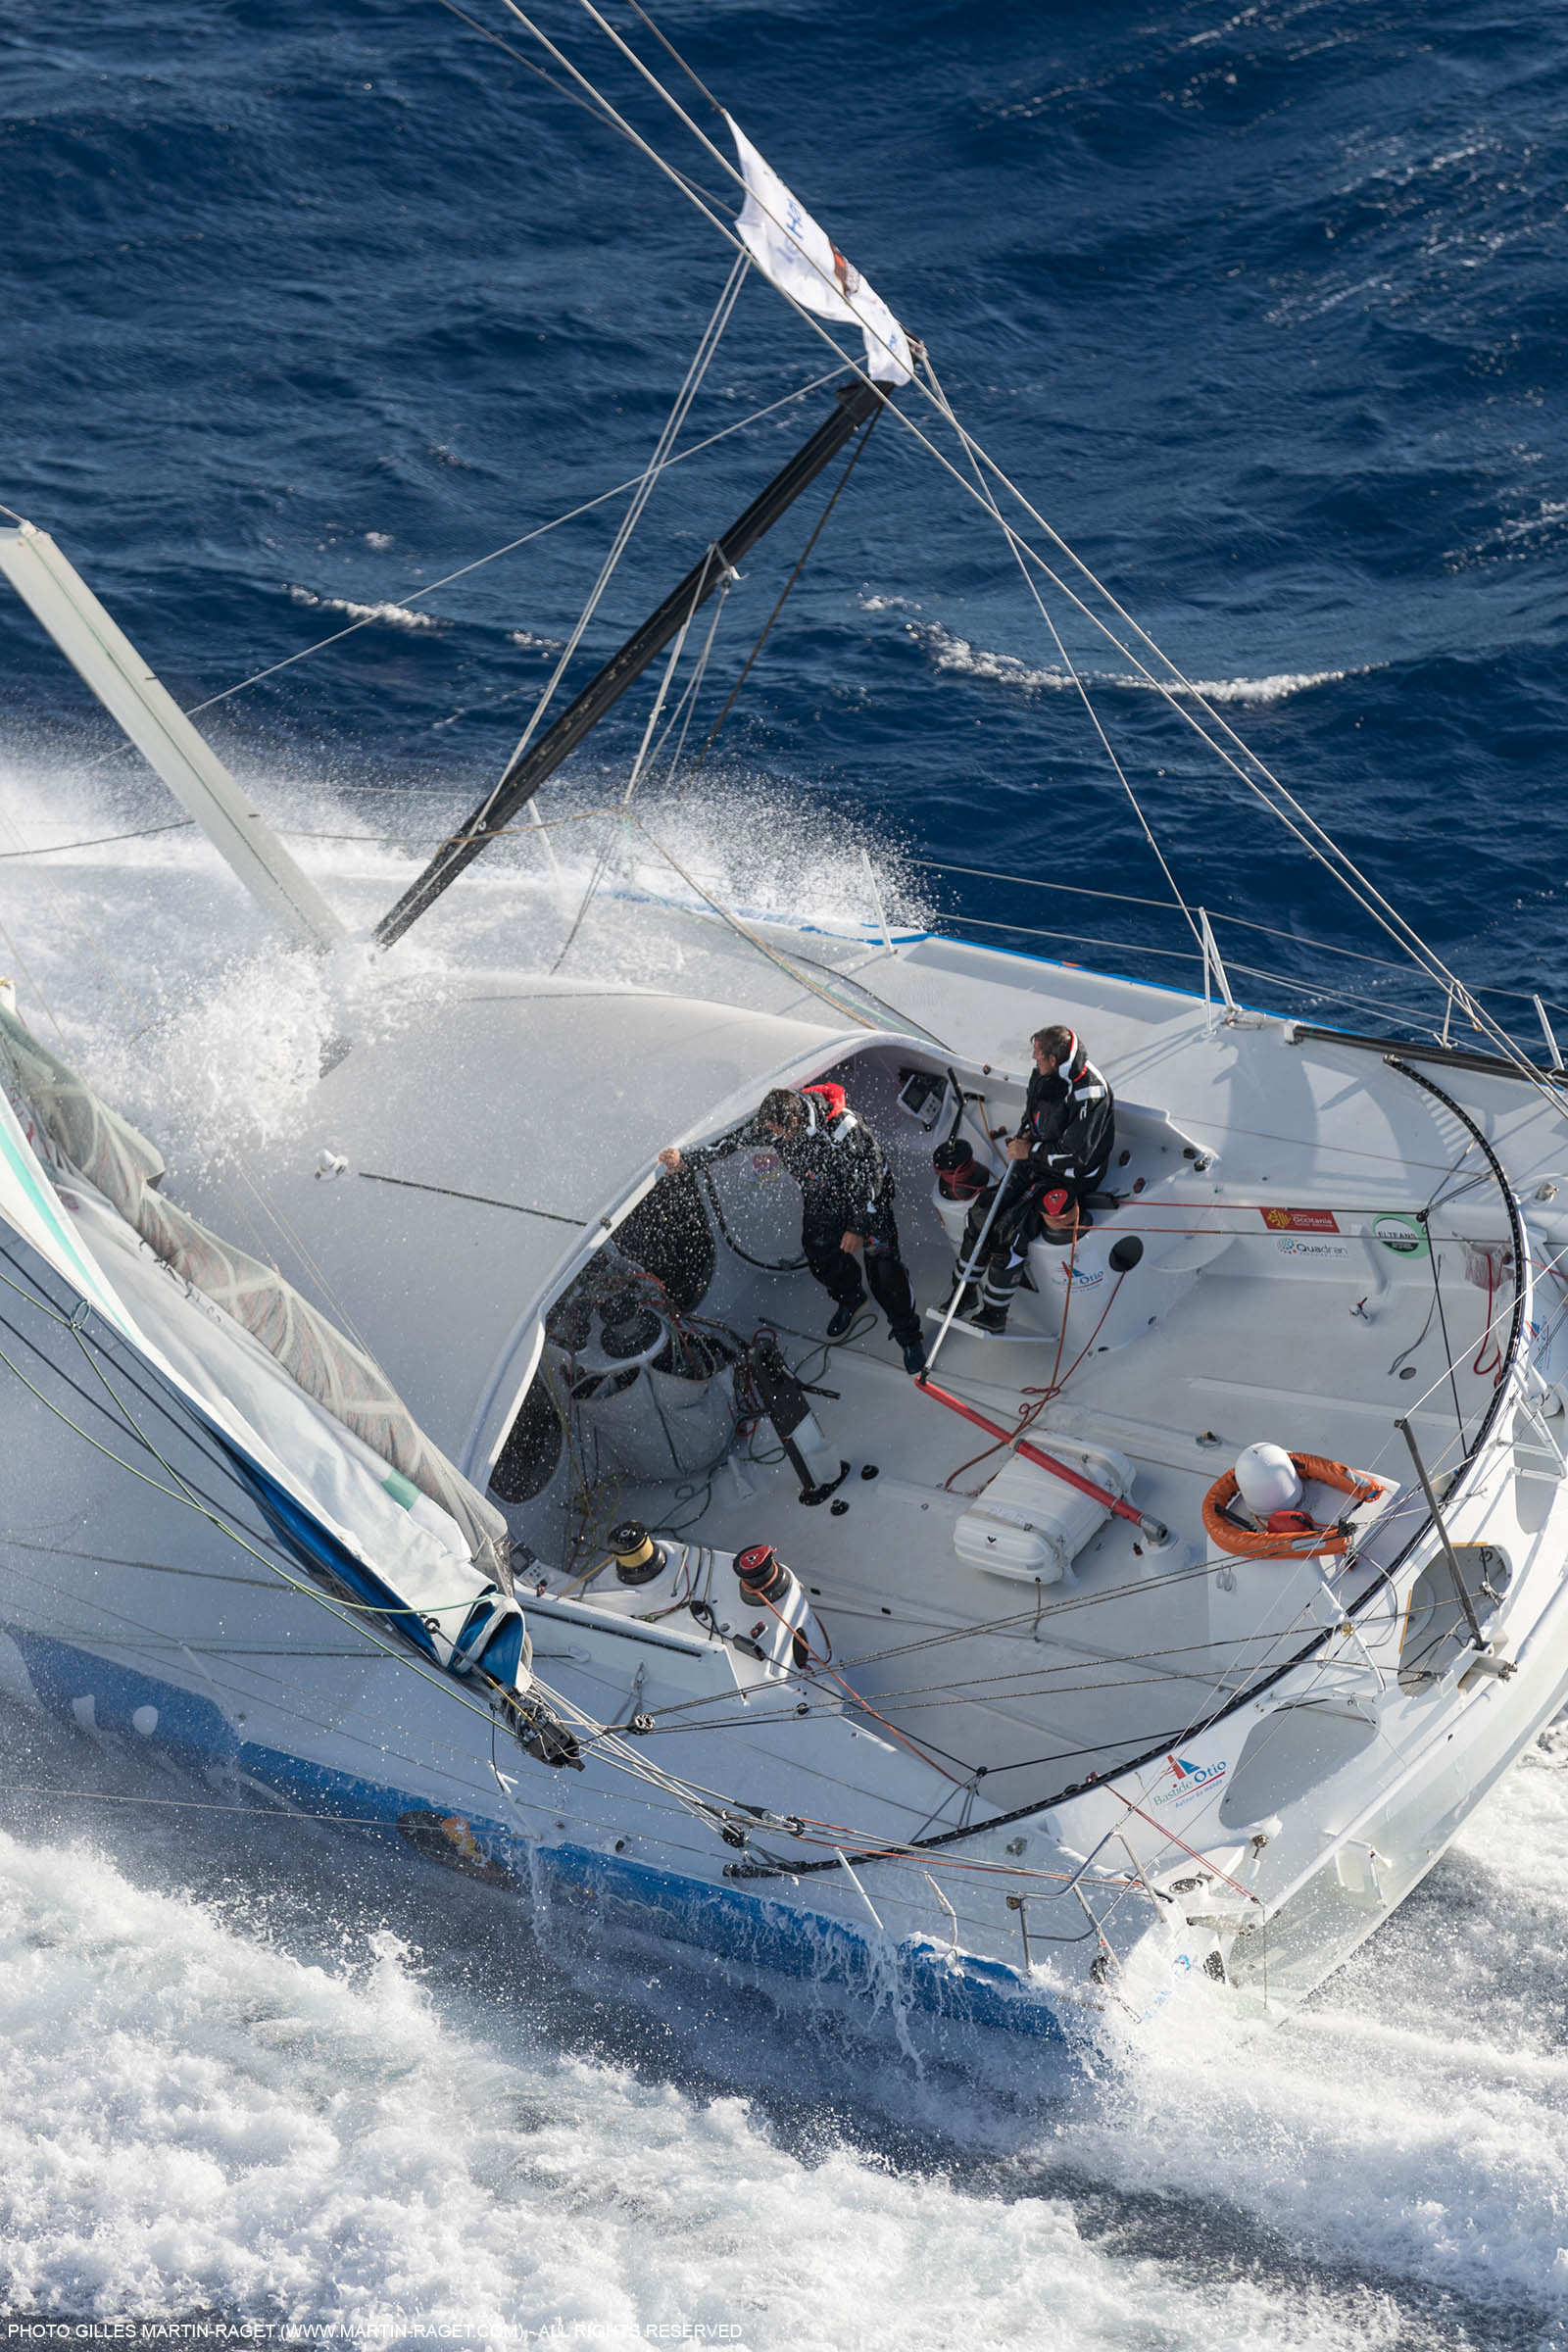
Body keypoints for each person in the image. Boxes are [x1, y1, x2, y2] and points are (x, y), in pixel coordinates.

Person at [660, 1082, 927, 1375]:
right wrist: (687, 1160)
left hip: (867, 1206)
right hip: (823, 1202)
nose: (772, 1137)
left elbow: (872, 1178)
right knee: (819, 1255)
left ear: (796, 1121)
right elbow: (732, 1141)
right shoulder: (773, 1124)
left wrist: (856, 1228)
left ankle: (909, 1336)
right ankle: (851, 1298)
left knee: (885, 1272)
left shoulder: (844, 1127)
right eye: (770, 1131)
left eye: (777, 1132)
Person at [951, 1025, 1115, 1335]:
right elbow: (1033, 1113)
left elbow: (1077, 1155)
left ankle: (994, 1313)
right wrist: (1026, 1134)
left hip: (1069, 1174)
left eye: (1038, 1055)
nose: (1033, 1058)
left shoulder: (1090, 1093)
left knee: (1011, 1228)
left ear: (1053, 1059)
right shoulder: (1042, 1074)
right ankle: (963, 1293)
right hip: (1035, 1158)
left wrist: (1030, 1150)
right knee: (983, 1211)